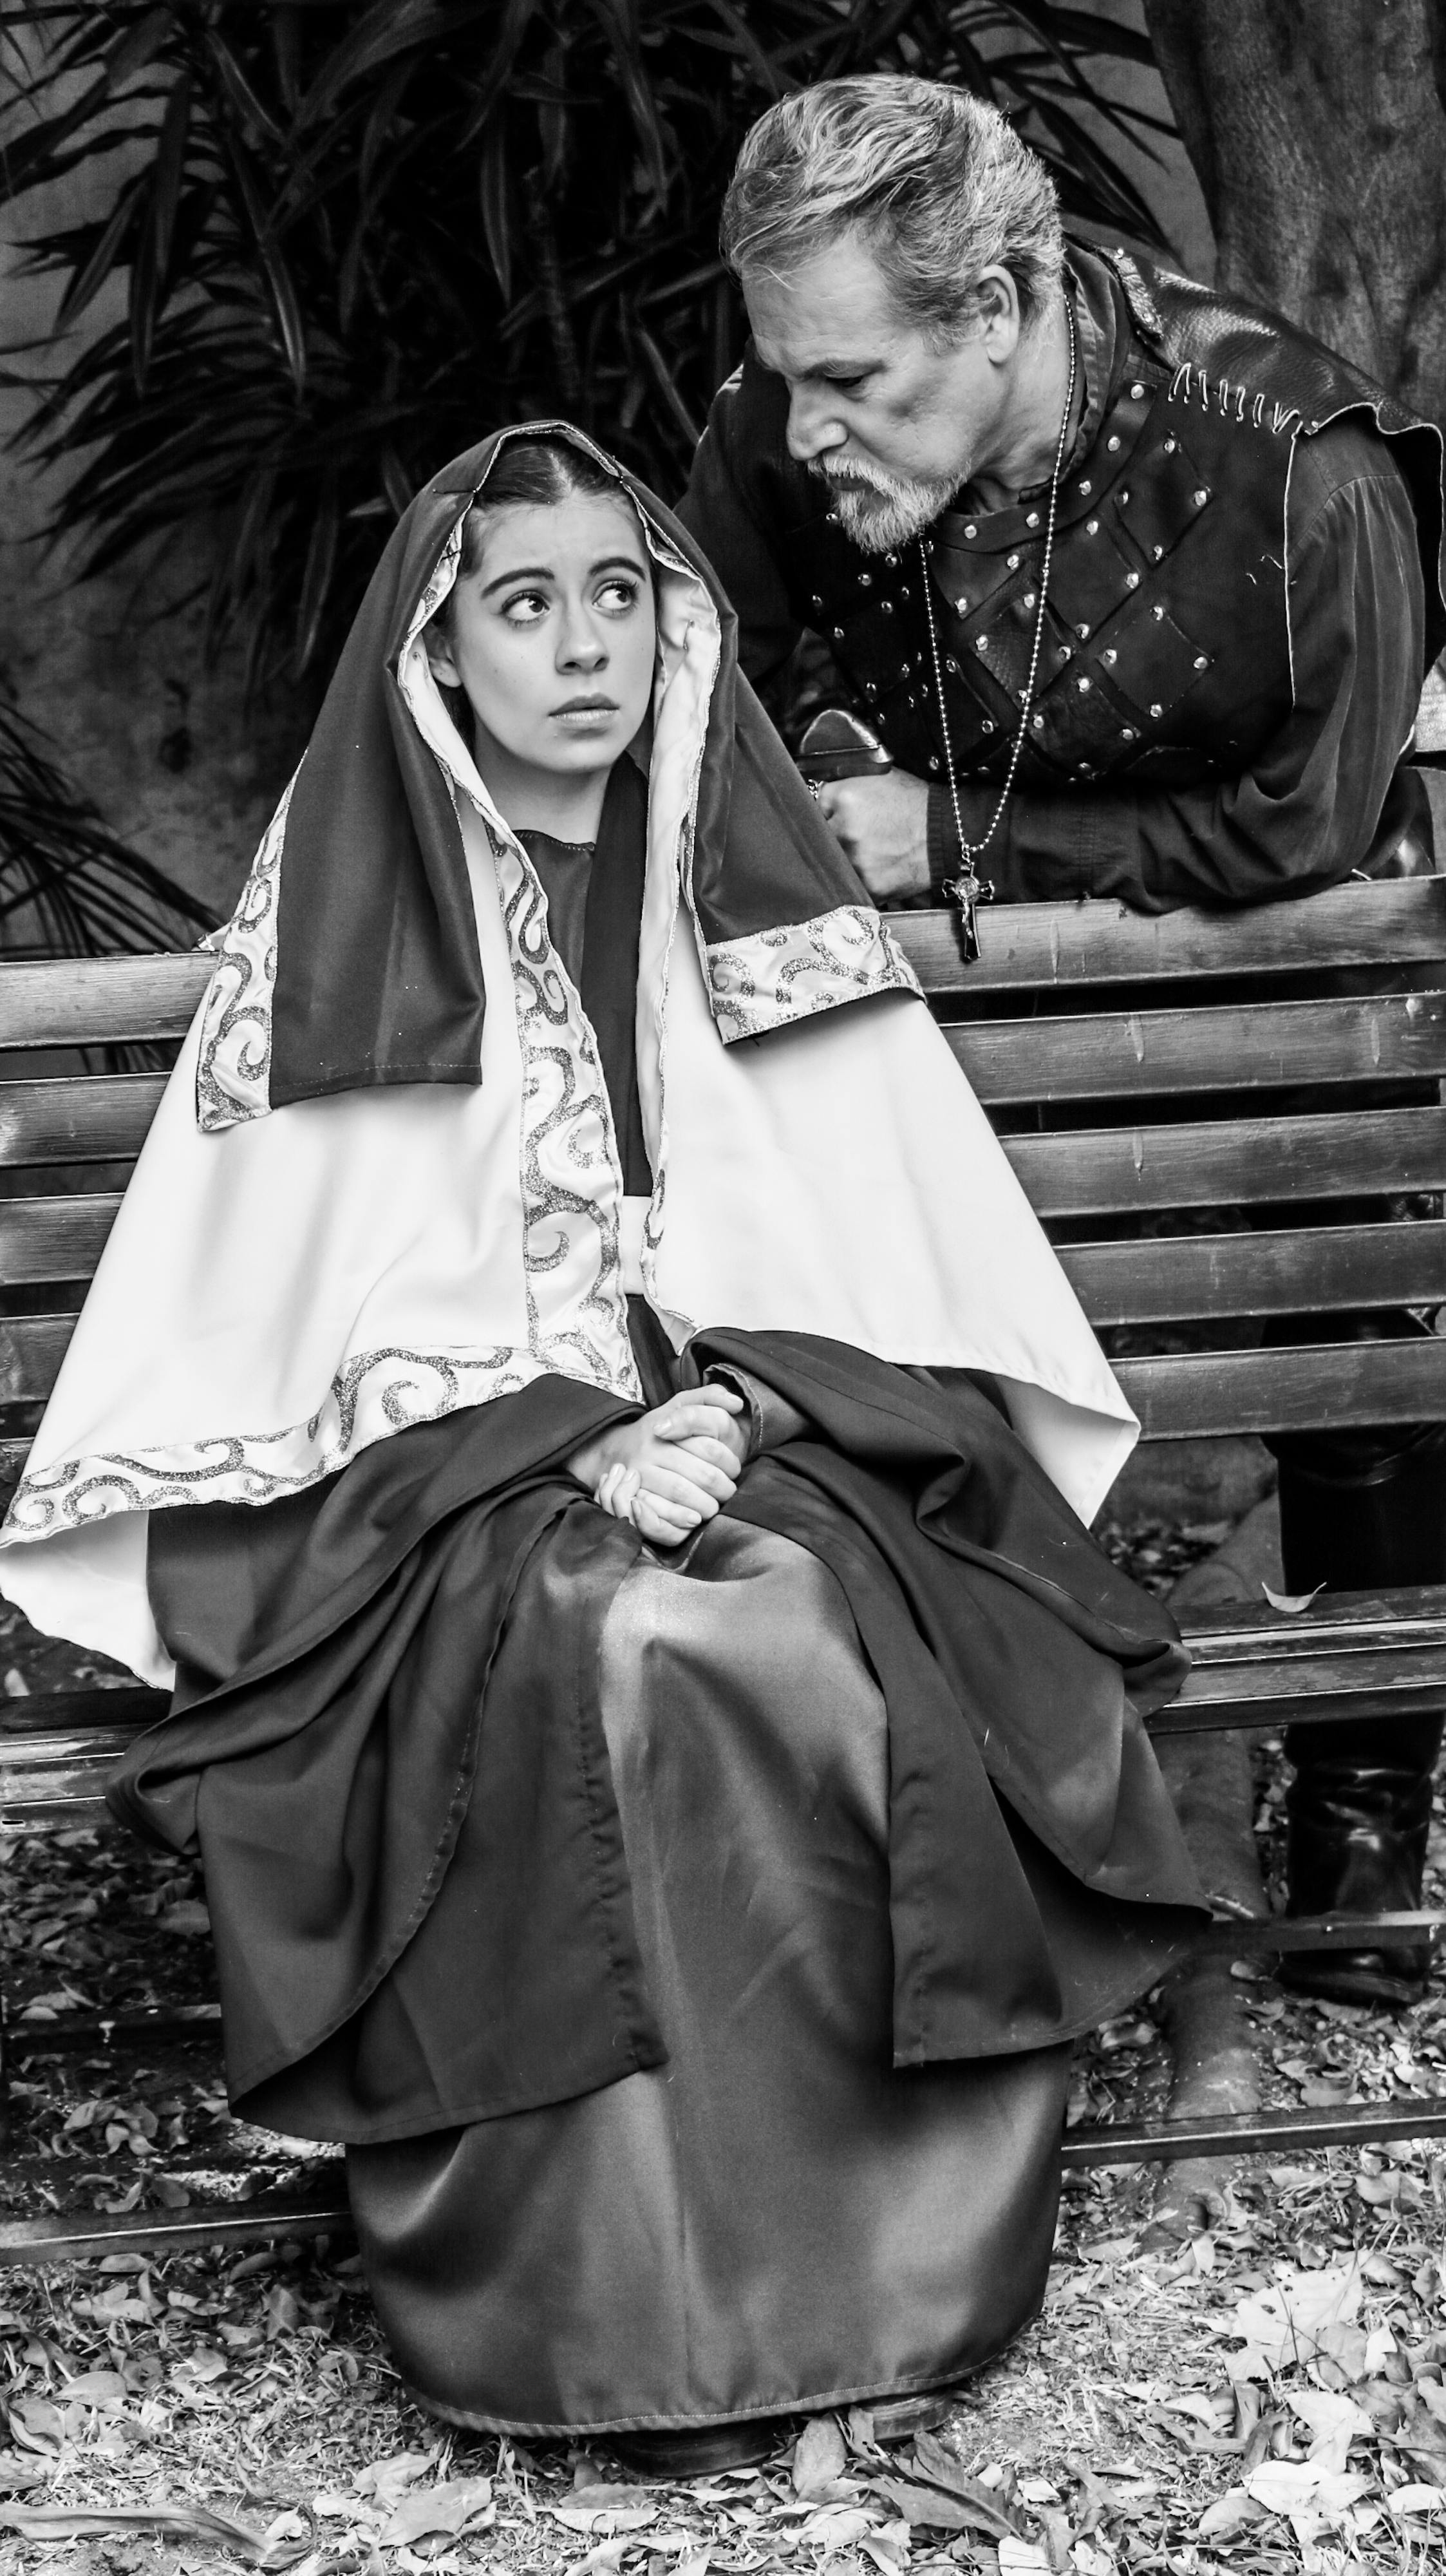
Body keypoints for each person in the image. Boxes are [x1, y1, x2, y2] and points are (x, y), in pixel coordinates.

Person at [0, 427, 1203, 2467]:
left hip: (772, 1433)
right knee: (617, 1650)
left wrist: (735, 1403)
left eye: (618, 595)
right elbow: (287, 1314)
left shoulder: (749, 893)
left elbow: (883, 1246)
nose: (581, 646)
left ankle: (852, 2290)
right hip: (438, 1490)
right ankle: (617, 2327)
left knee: (803, 1626)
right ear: (441, 650)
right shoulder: (349, 919)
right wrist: (582, 1446)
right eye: (524, 603)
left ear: (672, 624)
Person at [679, 73, 1446, 2011]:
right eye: (785, 370)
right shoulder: (777, 432)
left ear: (1005, 305)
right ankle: (960, 1818)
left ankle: (1364, 1820)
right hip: (929, 1035)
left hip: (1277, 1019)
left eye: (850, 377)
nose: (801, 425)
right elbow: (697, 703)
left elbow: (1315, 824)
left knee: (1368, 1333)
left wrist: (965, 839)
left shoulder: (1301, 461)